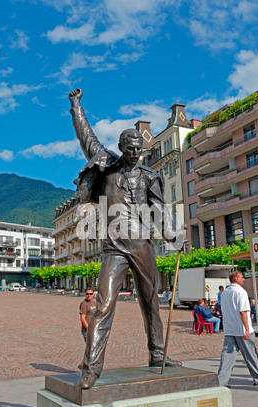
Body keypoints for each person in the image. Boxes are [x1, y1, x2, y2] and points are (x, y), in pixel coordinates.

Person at [69, 88, 186, 389]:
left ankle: (158, 354)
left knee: (151, 302)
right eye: (130, 148)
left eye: (138, 148)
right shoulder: (107, 166)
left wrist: (175, 237)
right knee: (104, 304)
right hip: (114, 247)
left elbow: (160, 212)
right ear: (121, 147)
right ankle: (91, 368)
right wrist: (76, 106)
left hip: (143, 244)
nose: (135, 152)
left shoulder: (149, 177)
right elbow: (87, 136)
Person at [218, 271, 258, 387]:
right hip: (241, 329)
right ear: (236, 279)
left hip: (230, 329)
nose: (244, 279)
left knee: (227, 356)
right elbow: (243, 311)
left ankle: (221, 381)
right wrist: (247, 329)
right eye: (242, 277)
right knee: (250, 355)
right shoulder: (240, 292)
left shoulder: (225, 292)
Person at [78, 288, 96, 369]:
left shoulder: (94, 302)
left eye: (90, 294)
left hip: (94, 329)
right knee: (91, 347)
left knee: (91, 347)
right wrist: (89, 329)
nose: (89, 295)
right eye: (87, 294)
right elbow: (82, 318)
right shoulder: (84, 304)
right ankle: (86, 364)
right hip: (87, 330)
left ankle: (84, 364)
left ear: (93, 294)